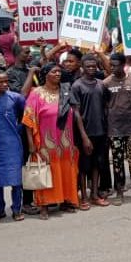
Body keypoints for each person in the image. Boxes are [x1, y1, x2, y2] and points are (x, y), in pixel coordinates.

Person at [23, 63, 89, 219]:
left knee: (67, 171)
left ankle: (65, 201)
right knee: (46, 173)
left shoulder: (66, 91)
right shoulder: (36, 94)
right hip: (46, 144)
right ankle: (44, 205)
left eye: (59, 71)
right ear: (46, 74)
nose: (58, 74)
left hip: (66, 142)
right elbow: (28, 120)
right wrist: (31, 144)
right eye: (54, 72)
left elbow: (76, 113)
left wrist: (83, 136)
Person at [0, 71, 26, 221]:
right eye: (0, 82)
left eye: (5, 81)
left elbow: (25, 114)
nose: (4, 84)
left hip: (13, 144)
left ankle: (16, 209)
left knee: (16, 179)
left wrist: (19, 128)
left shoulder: (15, 98)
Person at [71, 54, 110, 208]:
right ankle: (84, 197)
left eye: (94, 66)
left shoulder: (101, 84)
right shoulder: (77, 86)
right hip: (85, 133)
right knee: (83, 167)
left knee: (97, 164)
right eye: (88, 66)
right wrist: (84, 136)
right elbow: (76, 112)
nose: (92, 69)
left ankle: (94, 194)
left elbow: (106, 106)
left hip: (101, 131)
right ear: (82, 67)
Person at [102, 53, 131, 204]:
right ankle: (119, 192)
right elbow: (104, 107)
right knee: (117, 161)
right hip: (114, 129)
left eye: (115, 65)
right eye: (111, 65)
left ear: (123, 65)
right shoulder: (106, 83)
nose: (112, 67)